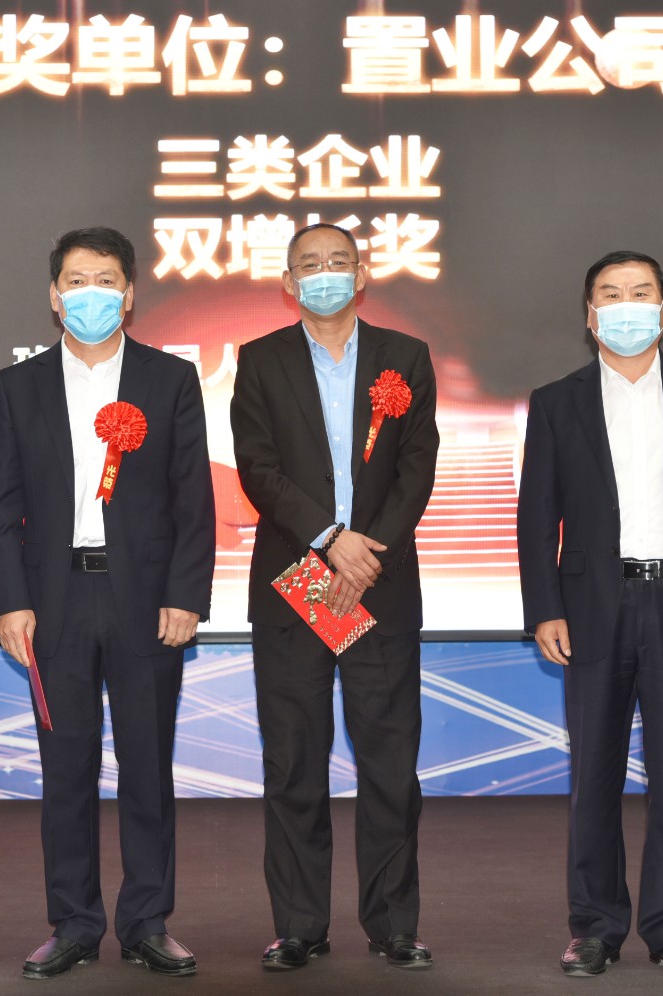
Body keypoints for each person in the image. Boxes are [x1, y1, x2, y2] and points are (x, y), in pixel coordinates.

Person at [0, 226, 215, 980]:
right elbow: (1, 507)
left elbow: (193, 500)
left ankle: (147, 921)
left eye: (106, 280)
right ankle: (74, 923)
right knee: (66, 771)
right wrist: (8, 602)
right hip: (53, 603)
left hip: (145, 599)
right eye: (76, 281)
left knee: (147, 767)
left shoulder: (169, 379)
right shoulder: (19, 385)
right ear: (55, 297)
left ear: (130, 293)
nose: (91, 294)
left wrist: (185, 594)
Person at [517, 250, 663, 980]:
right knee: (593, 775)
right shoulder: (556, 401)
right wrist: (545, 608)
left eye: (640, 293)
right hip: (592, 605)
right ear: (591, 314)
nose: (627, 306)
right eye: (611, 294)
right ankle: (594, 926)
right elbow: (537, 517)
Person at [231, 223, 439, 972]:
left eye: (338, 261)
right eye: (309, 264)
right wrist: (328, 538)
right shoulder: (260, 359)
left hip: (379, 580)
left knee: (389, 763)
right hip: (297, 581)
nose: (325, 273)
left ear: (362, 273)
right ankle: (299, 927)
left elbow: (417, 464)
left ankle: (393, 925)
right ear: (289, 282)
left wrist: (364, 552)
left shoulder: (405, 356)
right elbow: (257, 467)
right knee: (293, 762)